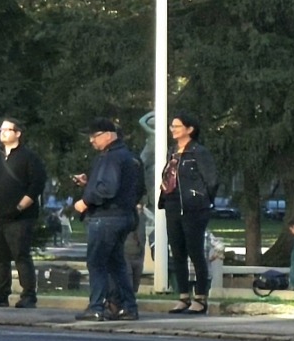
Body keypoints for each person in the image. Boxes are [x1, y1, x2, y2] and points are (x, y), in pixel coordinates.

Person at [71, 116, 145, 319]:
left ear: (109, 135)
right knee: (117, 264)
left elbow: (107, 189)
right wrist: (89, 183)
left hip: (106, 217)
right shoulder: (130, 157)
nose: (91, 140)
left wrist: (85, 201)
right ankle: (128, 307)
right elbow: (135, 188)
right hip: (125, 215)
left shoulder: (110, 157)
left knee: (97, 263)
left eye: (95, 136)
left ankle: (96, 307)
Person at [0, 117, 47, 307]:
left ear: (18, 133)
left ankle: (28, 295)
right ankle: (1, 295)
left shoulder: (29, 157)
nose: (3, 133)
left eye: (7, 129)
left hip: (20, 217)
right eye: (1, 129)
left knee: (21, 255)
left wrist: (20, 206)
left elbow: (36, 184)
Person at [157, 113, 219, 315]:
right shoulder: (173, 152)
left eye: (177, 126)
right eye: (172, 126)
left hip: (193, 208)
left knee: (195, 251)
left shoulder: (198, 152)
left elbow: (211, 180)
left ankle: (200, 297)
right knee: (177, 251)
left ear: (189, 129)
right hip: (172, 204)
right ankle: (183, 296)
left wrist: (202, 200)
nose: (172, 130)